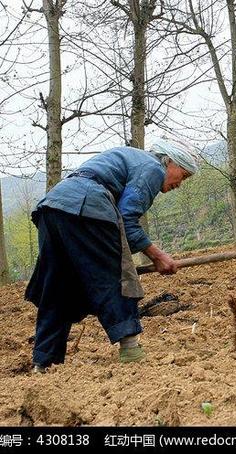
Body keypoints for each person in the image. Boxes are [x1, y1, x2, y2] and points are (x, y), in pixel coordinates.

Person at [25, 138, 199, 373]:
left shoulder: (133, 159)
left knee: (58, 286)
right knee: (116, 275)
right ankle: (131, 350)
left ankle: (43, 361)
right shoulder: (153, 167)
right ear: (169, 161)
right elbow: (127, 220)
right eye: (184, 175)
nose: (181, 184)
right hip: (87, 205)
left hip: (52, 208)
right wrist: (157, 255)